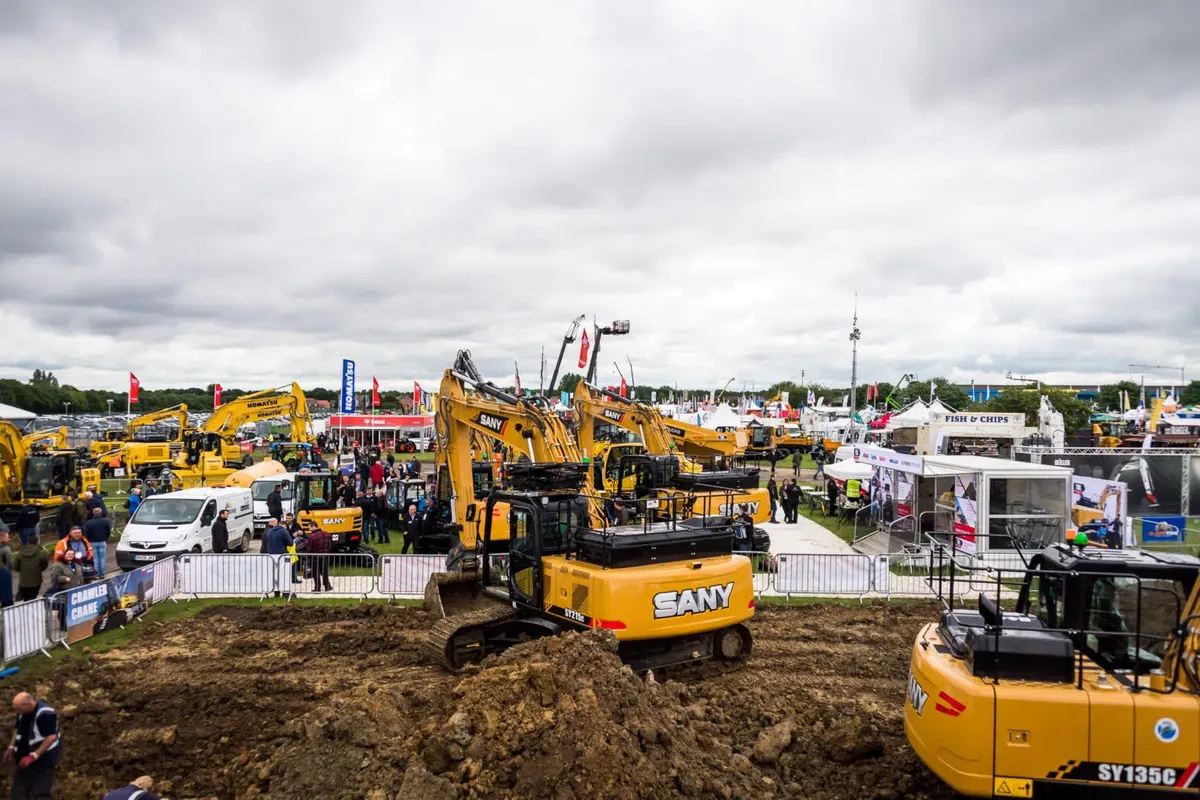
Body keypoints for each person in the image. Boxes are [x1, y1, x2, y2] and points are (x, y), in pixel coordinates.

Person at [6, 692, 60, 799]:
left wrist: (33, 756)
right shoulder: (23, 712)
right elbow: (17, 729)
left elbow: (51, 737)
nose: (17, 712)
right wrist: (11, 747)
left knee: (40, 792)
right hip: (24, 758)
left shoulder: (46, 713)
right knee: (18, 791)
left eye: (18, 709)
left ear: (28, 704)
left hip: (43, 758)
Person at [13, 538, 48, 603]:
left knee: (25, 599)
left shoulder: (21, 552)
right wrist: (39, 569)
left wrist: (22, 570)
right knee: (32, 599)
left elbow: (15, 567)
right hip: (36, 580)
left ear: (28, 542)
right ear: (37, 542)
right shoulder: (41, 553)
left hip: (23, 581)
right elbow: (45, 565)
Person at [82, 506, 112, 578]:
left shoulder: (89, 523)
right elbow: (108, 531)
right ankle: (102, 574)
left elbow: (86, 533)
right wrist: (106, 538)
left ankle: (96, 573)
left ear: (93, 513)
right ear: (100, 513)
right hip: (102, 541)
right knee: (102, 558)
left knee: (95, 559)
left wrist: (89, 540)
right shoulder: (105, 521)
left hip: (93, 542)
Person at [302, 525, 333, 592]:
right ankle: (327, 586)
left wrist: (308, 556)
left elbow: (309, 548)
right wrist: (327, 551)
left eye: (310, 527)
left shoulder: (311, 536)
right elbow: (330, 545)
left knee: (316, 573)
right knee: (325, 572)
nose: (309, 529)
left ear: (313, 526)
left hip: (315, 556)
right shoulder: (326, 534)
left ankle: (317, 588)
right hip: (324, 555)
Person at [0, 529, 13, 608]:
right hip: (4, 573)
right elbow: (10, 562)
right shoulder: (6, 549)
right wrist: (8, 571)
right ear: (2, 537)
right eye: (7, 537)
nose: (8, 539)